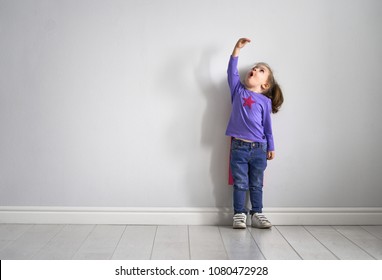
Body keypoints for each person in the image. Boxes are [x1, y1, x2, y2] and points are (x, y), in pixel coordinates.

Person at [226, 38, 284, 229]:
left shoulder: (264, 102)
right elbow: (231, 72)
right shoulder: (238, 91)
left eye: (261, 70)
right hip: (239, 147)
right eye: (255, 67)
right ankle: (239, 214)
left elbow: (268, 128)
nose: (255, 69)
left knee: (256, 184)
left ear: (265, 85)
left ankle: (257, 213)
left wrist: (272, 147)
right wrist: (237, 49)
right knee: (240, 183)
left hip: (260, 148)